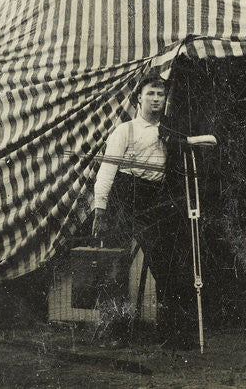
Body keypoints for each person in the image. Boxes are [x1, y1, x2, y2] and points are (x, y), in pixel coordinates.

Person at [92, 70, 193, 347]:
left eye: (161, 94)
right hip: (124, 196)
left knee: (166, 265)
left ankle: (172, 335)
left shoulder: (171, 131)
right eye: (151, 93)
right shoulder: (125, 130)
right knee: (115, 266)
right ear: (138, 98)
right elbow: (107, 170)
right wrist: (100, 209)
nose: (157, 99)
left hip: (153, 199)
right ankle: (112, 333)